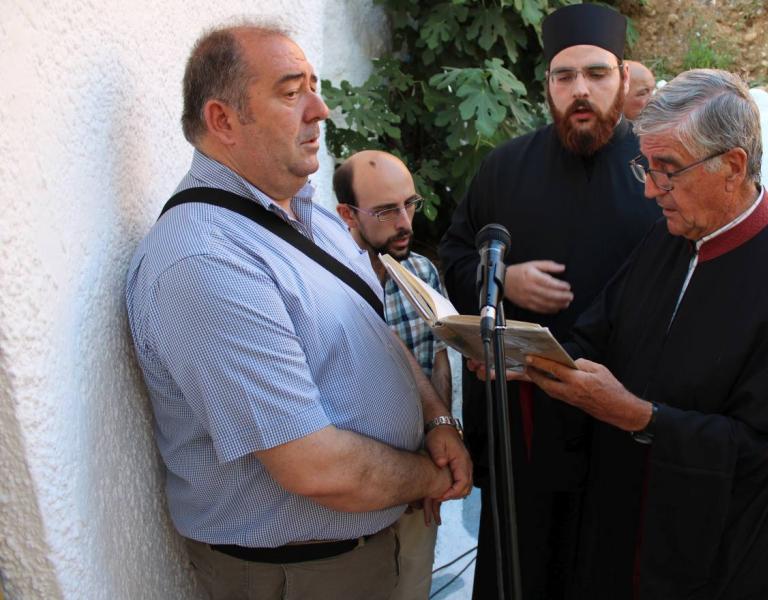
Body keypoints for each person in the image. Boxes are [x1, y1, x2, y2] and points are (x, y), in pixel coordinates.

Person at [125, 23, 471, 600]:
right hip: (303, 573)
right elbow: (315, 467)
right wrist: (431, 476)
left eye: (314, 86)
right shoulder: (205, 260)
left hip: (366, 540)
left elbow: (376, 334)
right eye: (291, 93)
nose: (320, 109)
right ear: (223, 120)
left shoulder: (311, 216)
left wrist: (435, 419)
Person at [524, 69, 768, 598]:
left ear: (733, 166)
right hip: (623, 518)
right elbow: (599, 333)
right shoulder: (670, 236)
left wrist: (638, 415)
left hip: (713, 555)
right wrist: (523, 357)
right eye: (646, 167)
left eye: (668, 170)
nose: (650, 190)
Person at [438, 4, 661, 598]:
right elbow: (455, 254)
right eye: (565, 76)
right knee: (522, 563)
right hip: (528, 423)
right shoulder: (504, 168)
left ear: (623, 77)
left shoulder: (658, 171)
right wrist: (504, 281)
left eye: (597, 73)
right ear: (548, 87)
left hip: (624, 418)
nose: (580, 89)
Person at [334, 150, 453, 599]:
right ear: (347, 214)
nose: (404, 222)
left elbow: (436, 358)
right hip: (363, 490)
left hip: (425, 479)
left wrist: (442, 438)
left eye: (409, 204)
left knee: (414, 586)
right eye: (386, 211)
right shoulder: (331, 287)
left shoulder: (421, 272)